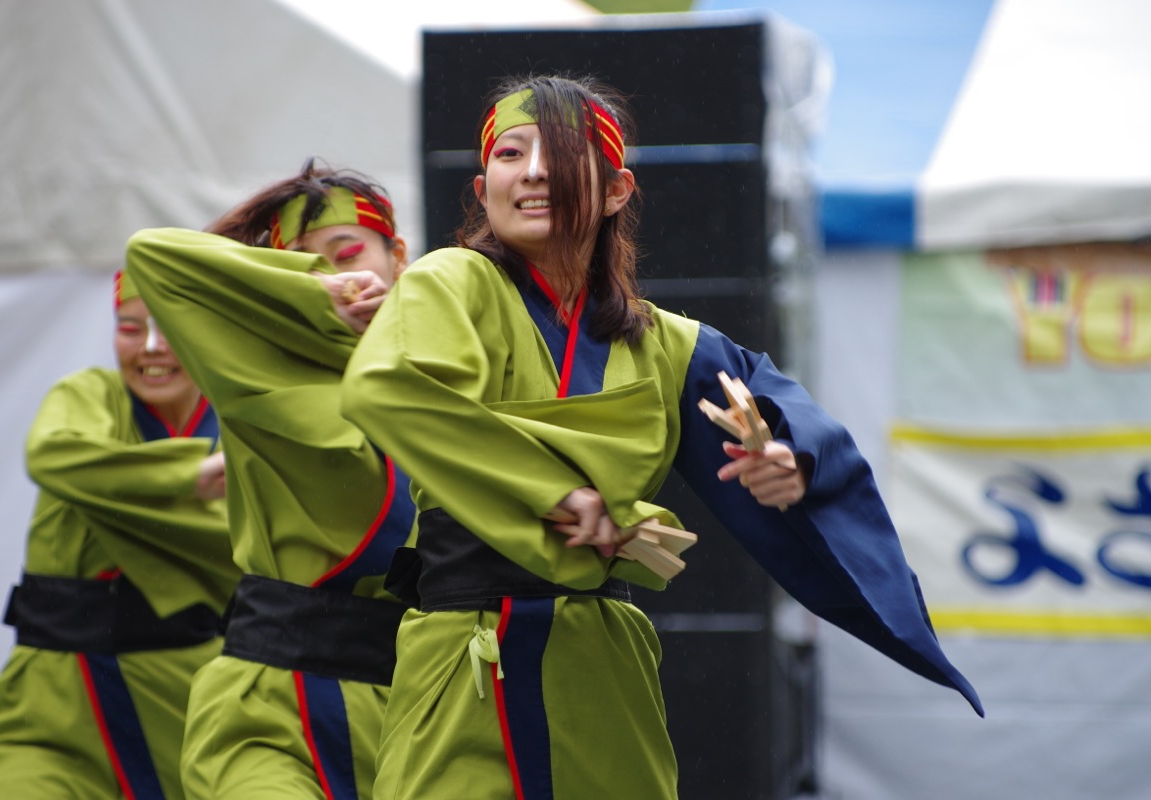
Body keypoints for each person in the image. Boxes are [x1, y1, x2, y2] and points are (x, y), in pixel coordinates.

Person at [338, 75, 985, 800]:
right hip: (464, 658)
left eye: (562, 154)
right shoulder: (447, 283)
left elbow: (773, 400)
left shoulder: (667, 344)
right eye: (511, 154)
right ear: (484, 182)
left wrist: (790, 462)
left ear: (616, 190)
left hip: (601, 661)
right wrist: (553, 492)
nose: (535, 172)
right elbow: (387, 386)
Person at [125, 160, 416, 800]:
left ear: (398, 255)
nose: (334, 273)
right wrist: (316, 295)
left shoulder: (442, 368)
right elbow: (153, 255)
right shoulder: (256, 365)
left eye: (345, 255)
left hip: (411, 716)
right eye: (303, 262)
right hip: (271, 708)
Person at [0, 270, 239, 800]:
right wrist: (186, 479)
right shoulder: (89, 394)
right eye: (129, 328)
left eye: (169, 328)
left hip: (188, 695)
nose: (151, 349)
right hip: (55, 698)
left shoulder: (235, 426)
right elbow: (55, 455)